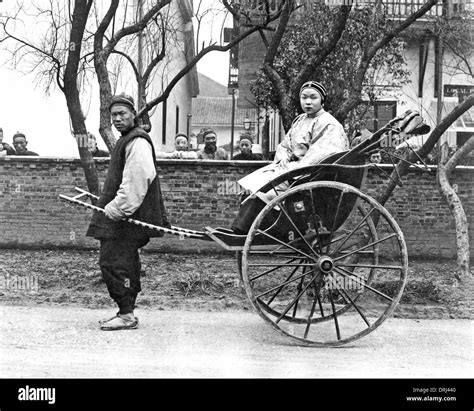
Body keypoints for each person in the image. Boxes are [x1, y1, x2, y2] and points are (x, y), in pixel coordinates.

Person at [86, 93, 170, 331]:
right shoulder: (126, 139)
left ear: (134, 114)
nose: (117, 119)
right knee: (122, 261)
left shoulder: (137, 140)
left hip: (126, 217)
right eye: (113, 115)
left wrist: (117, 208)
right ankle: (125, 311)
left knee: (114, 262)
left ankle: (126, 315)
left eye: (122, 113)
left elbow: (138, 178)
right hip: (123, 216)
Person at [230, 80, 349, 234]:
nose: (307, 102)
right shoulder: (300, 120)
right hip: (291, 168)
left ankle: (262, 231)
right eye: (304, 97)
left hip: (308, 173)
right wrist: (283, 159)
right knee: (252, 187)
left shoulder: (329, 124)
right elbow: (285, 145)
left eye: (313, 98)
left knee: (264, 191)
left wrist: (294, 168)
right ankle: (245, 230)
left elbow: (321, 155)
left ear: (322, 101)